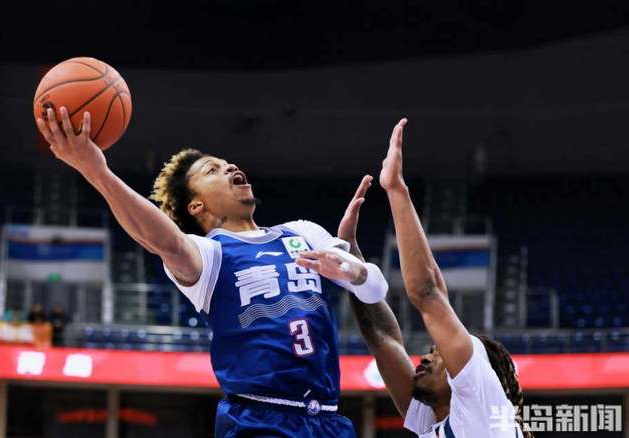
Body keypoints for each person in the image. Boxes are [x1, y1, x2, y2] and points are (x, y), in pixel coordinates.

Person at [36, 107, 389, 437]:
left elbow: (375, 289)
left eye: (226, 164)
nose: (229, 166)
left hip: (329, 419)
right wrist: (98, 172)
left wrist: (352, 270)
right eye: (212, 170)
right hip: (259, 418)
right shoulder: (210, 254)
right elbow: (165, 241)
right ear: (196, 205)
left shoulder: (302, 231)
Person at [339, 119, 532, 438]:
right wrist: (351, 258)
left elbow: (428, 292)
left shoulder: (481, 409)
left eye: (440, 353)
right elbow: (382, 337)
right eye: (433, 351)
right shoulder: (437, 421)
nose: (427, 357)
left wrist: (396, 190)